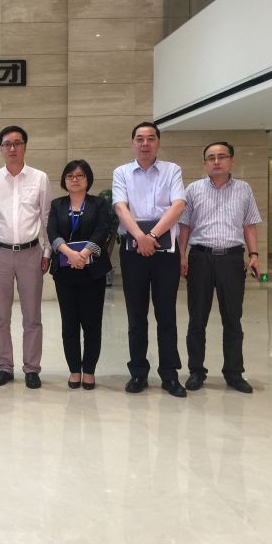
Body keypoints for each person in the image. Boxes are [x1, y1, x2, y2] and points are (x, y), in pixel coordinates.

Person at [179, 141, 261, 394]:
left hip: (232, 259)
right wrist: (181, 256)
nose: (216, 161)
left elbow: (249, 225)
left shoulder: (244, 189)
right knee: (197, 319)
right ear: (205, 163)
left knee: (233, 318)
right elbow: (185, 226)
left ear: (231, 161)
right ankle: (196, 371)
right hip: (200, 258)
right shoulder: (193, 190)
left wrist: (254, 254)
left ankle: (234, 373)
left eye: (222, 156)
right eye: (211, 157)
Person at [112, 121, 187, 397]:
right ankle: (138, 373)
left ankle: (169, 374)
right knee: (136, 315)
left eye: (151, 138)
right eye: (140, 139)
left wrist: (151, 235)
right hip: (133, 254)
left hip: (165, 253)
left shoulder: (172, 170)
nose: (145, 143)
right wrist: (140, 238)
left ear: (158, 142)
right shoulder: (122, 172)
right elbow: (121, 208)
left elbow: (178, 205)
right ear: (133, 143)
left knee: (166, 314)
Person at [0, 125, 51, 389]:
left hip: (31, 253)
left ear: (25, 146)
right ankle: (4, 366)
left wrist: (47, 250)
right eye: (7, 144)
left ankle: (32, 368)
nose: (12, 148)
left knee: (32, 316)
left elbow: (46, 217)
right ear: (1, 148)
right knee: (1, 316)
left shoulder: (39, 178)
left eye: (17, 143)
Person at [47, 160, 112, 391]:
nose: (75, 179)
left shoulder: (99, 203)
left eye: (80, 175)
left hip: (92, 272)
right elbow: (52, 232)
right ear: (64, 180)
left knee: (92, 323)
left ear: (88, 179)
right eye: (70, 176)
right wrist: (70, 254)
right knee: (70, 324)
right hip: (65, 271)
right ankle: (74, 370)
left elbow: (103, 229)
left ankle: (90, 371)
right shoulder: (57, 204)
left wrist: (83, 254)